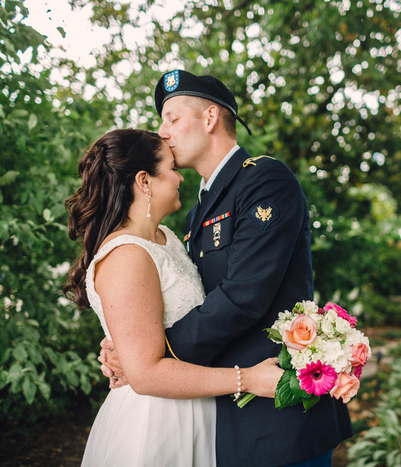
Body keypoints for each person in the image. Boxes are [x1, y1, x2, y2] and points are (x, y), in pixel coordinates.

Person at [100, 70, 353, 466]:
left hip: (277, 415)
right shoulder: (197, 209)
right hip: (220, 413)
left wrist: (151, 356)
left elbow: (244, 296)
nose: (162, 131)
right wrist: (133, 347)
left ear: (210, 117)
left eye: (172, 118)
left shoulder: (265, 180)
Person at [63, 128, 283, 466]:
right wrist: (249, 378)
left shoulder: (166, 237)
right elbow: (147, 373)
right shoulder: (126, 256)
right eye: (171, 168)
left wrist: (127, 350)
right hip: (155, 422)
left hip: (197, 410)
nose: (180, 177)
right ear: (145, 181)